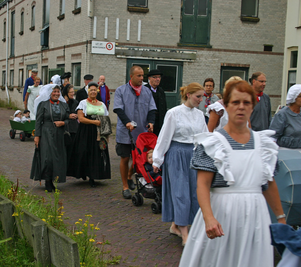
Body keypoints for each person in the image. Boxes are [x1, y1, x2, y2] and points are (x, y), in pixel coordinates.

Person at [179, 80, 285, 267]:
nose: (241, 107)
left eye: (246, 102)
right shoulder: (213, 143)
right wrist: (208, 217)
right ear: (226, 106)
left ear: (253, 106)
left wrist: (281, 218)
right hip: (221, 214)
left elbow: (269, 183)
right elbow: (202, 185)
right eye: (235, 102)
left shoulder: (264, 144)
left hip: (255, 215)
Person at [152, 82, 208, 245]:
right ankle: (185, 234)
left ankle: (176, 226)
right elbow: (164, 137)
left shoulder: (199, 114)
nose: (200, 100)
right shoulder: (173, 113)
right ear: (188, 95)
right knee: (180, 193)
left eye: (202, 97)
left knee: (193, 193)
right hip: (176, 155)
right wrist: (157, 159)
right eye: (198, 96)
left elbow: (205, 136)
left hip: (194, 155)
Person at [114, 66, 157, 199]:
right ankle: (125, 185)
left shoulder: (147, 91)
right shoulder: (121, 91)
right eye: (138, 76)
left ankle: (129, 174)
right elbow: (118, 109)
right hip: (125, 131)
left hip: (141, 132)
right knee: (125, 157)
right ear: (131, 76)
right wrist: (127, 122)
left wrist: (151, 122)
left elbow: (152, 109)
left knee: (140, 157)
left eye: (142, 76)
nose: (141, 78)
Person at [68, 82, 111, 187]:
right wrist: (94, 122)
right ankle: (83, 172)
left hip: (99, 132)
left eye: (95, 90)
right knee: (84, 152)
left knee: (97, 153)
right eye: (91, 90)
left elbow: (106, 118)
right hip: (86, 131)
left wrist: (105, 132)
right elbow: (81, 118)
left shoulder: (102, 104)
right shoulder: (83, 103)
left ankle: (93, 176)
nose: (93, 92)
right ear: (88, 91)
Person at [30, 85, 69, 192]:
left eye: (58, 92)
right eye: (54, 92)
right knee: (47, 157)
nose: (56, 93)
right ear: (49, 93)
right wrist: (37, 136)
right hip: (46, 133)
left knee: (57, 157)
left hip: (59, 134)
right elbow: (38, 121)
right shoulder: (43, 105)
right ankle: (47, 180)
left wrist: (63, 123)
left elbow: (68, 119)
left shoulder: (64, 105)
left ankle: (54, 179)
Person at [270, 84, 301, 148]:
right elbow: (273, 138)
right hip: (286, 153)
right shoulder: (282, 115)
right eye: (300, 96)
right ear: (293, 97)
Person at [144, 69, 167, 136]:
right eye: (155, 77)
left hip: (159, 123)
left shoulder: (161, 90)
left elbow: (164, 107)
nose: (157, 79)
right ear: (149, 78)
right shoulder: (144, 89)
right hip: (149, 122)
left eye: (159, 77)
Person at [63, 84, 79, 165]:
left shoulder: (75, 102)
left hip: (74, 128)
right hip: (65, 128)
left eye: (73, 92)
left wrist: (77, 115)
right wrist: (68, 115)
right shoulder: (62, 103)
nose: (73, 93)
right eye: (71, 92)